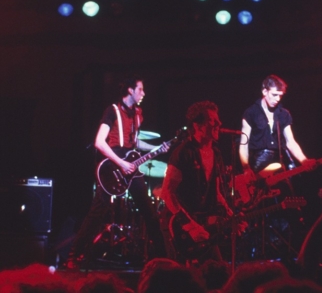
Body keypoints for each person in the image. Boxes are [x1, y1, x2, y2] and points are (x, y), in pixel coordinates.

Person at [66, 76, 169, 270]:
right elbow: (99, 142)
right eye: (141, 89)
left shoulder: (138, 114)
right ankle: (73, 255)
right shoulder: (111, 111)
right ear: (130, 90)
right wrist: (120, 163)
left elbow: (135, 142)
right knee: (97, 212)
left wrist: (156, 148)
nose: (144, 93)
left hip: (130, 166)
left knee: (149, 212)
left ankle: (164, 259)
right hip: (112, 166)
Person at [160, 101, 246, 265]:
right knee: (183, 279)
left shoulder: (216, 153)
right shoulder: (183, 153)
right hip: (178, 226)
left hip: (202, 226)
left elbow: (216, 193)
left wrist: (230, 215)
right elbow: (167, 193)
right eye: (212, 120)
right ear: (197, 125)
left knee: (217, 274)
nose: (219, 124)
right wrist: (189, 226)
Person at [239, 74, 315, 179]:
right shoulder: (251, 113)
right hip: (257, 164)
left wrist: (304, 160)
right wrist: (246, 168)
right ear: (264, 91)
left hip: (278, 164)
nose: (278, 99)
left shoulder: (283, 114)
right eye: (274, 95)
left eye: (280, 95)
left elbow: (290, 142)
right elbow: (243, 143)